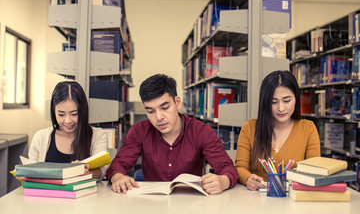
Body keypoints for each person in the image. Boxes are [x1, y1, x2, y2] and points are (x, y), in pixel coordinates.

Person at [106, 74, 238, 195]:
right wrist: (118, 177)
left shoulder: (201, 131)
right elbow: (118, 164)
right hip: (151, 203)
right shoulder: (139, 130)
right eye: (150, 111)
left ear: (177, 103)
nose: (159, 117)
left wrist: (223, 181)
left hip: (191, 203)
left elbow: (227, 168)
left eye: (165, 108)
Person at [235, 70, 320, 191]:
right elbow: (240, 167)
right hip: (256, 201)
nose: (281, 108)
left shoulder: (308, 128)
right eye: (273, 102)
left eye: (287, 101)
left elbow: (314, 171)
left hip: (294, 201)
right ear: (265, 103)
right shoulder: (250, 127)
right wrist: (248, 178)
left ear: (296, 98)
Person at [28, 81, 108, 180]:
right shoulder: (40, 137)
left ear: (82, 111)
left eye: (74, 114)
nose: (68, 121)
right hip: (46, 195)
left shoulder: (98, 136)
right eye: (61, 114)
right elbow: (31, 175)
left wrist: (86, 172)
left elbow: (102, 172)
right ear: (54, 110)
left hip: (85, 195)